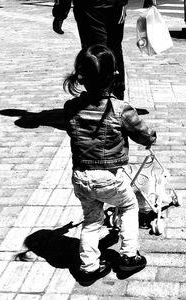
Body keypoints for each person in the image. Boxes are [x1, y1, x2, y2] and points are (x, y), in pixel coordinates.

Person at [63, 44, 157, 286]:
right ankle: (128, 256)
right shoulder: (121, 109)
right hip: (109, 177)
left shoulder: (71, 107)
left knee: (92, 220)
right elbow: (143, 134)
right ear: (115, 76)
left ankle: (89, 267)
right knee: (128, 206)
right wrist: (151, 138)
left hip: (81, 177)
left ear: (81, 77)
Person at [52, 0, 127, 100]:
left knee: (96, 53)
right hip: (114, 6)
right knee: (113, 49)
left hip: (91, 7)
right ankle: (116, 96)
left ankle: (100, 98)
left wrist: (60, 13)